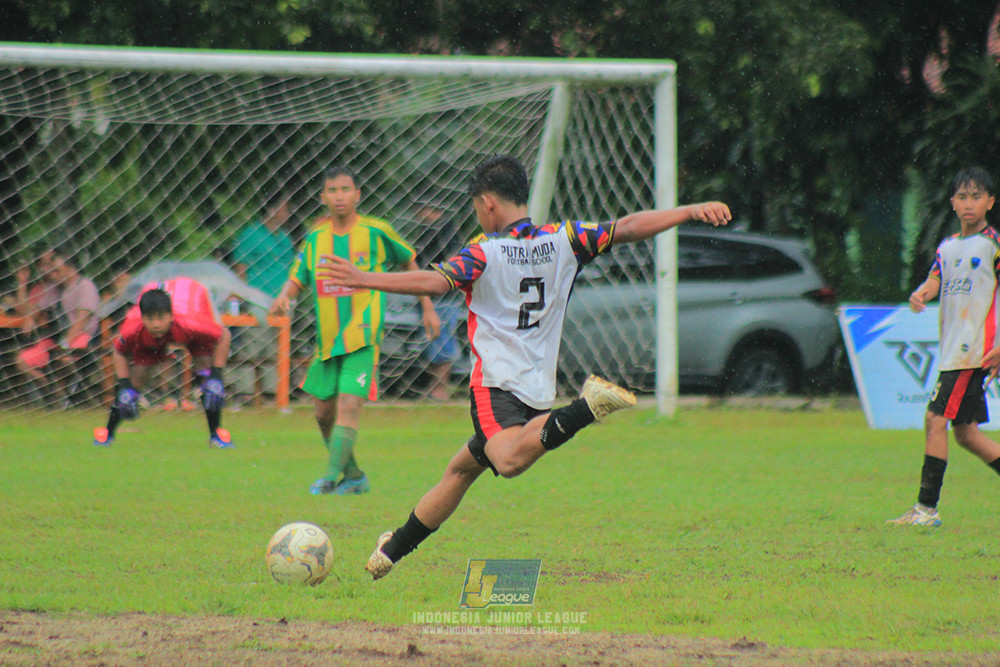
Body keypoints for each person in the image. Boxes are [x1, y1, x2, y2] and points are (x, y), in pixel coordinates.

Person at [315, 153, 731, 579]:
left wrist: (364, 278)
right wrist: (687, 211)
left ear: (488, 204)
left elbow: (437, 282)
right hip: (536, 385)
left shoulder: (484, 251)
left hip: (495, 385)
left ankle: (586, 407)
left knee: (510, 461)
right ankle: (392, 550)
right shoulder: (565, 237)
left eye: (477, 205)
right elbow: (626, 227)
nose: (477, 213)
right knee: (460, 470)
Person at [269, 165, 440, 496]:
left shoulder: (376, 231)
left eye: (346, 189)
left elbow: (409, 261)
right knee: (322, 413)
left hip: (362, 336)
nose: (339, 196)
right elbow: (298, 276)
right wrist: (282, 297)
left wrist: (427, 306)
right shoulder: (316, 238)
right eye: (332, 191)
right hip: (328, 341)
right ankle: (355, 476)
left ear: (357, 194)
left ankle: (331, 478)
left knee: (349, 405)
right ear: (323, 197)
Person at [888, 166, 1000, 527]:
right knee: (966, 434)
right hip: (954, 350)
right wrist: (921, 293)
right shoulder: (948, 247)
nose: (969, 204)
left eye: (977, 196)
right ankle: (924, 511)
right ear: (953, 203)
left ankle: (925, 511)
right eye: (963, 197)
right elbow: (937, 277)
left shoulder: (993, 246)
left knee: (934, 419)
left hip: (972, 351)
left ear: (990, 202)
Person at [92, 277, 234, 448]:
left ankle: (216, 434)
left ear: (171, 315)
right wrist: (123, 385)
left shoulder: (191, 323)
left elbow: (224, 335)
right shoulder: (133, 328)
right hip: (150, 341)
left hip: (191, 315)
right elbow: (119, 350)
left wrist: (217, 375)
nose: (156, 324)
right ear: (142, 317)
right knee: (132, 387)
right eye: (150, 319)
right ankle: (107, 434)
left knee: (209, 379)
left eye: (161, 318)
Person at [229, 192, 297, 405]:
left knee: (277, 346)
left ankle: (271, 392)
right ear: (272, 210)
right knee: (253, 343)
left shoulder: (285, 238)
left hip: (283, 298)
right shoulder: (251, 234)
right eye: (284, 208)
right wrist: (242, 296)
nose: (288, 213)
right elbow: (241, 267)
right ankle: (245, 392)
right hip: (258, 296)